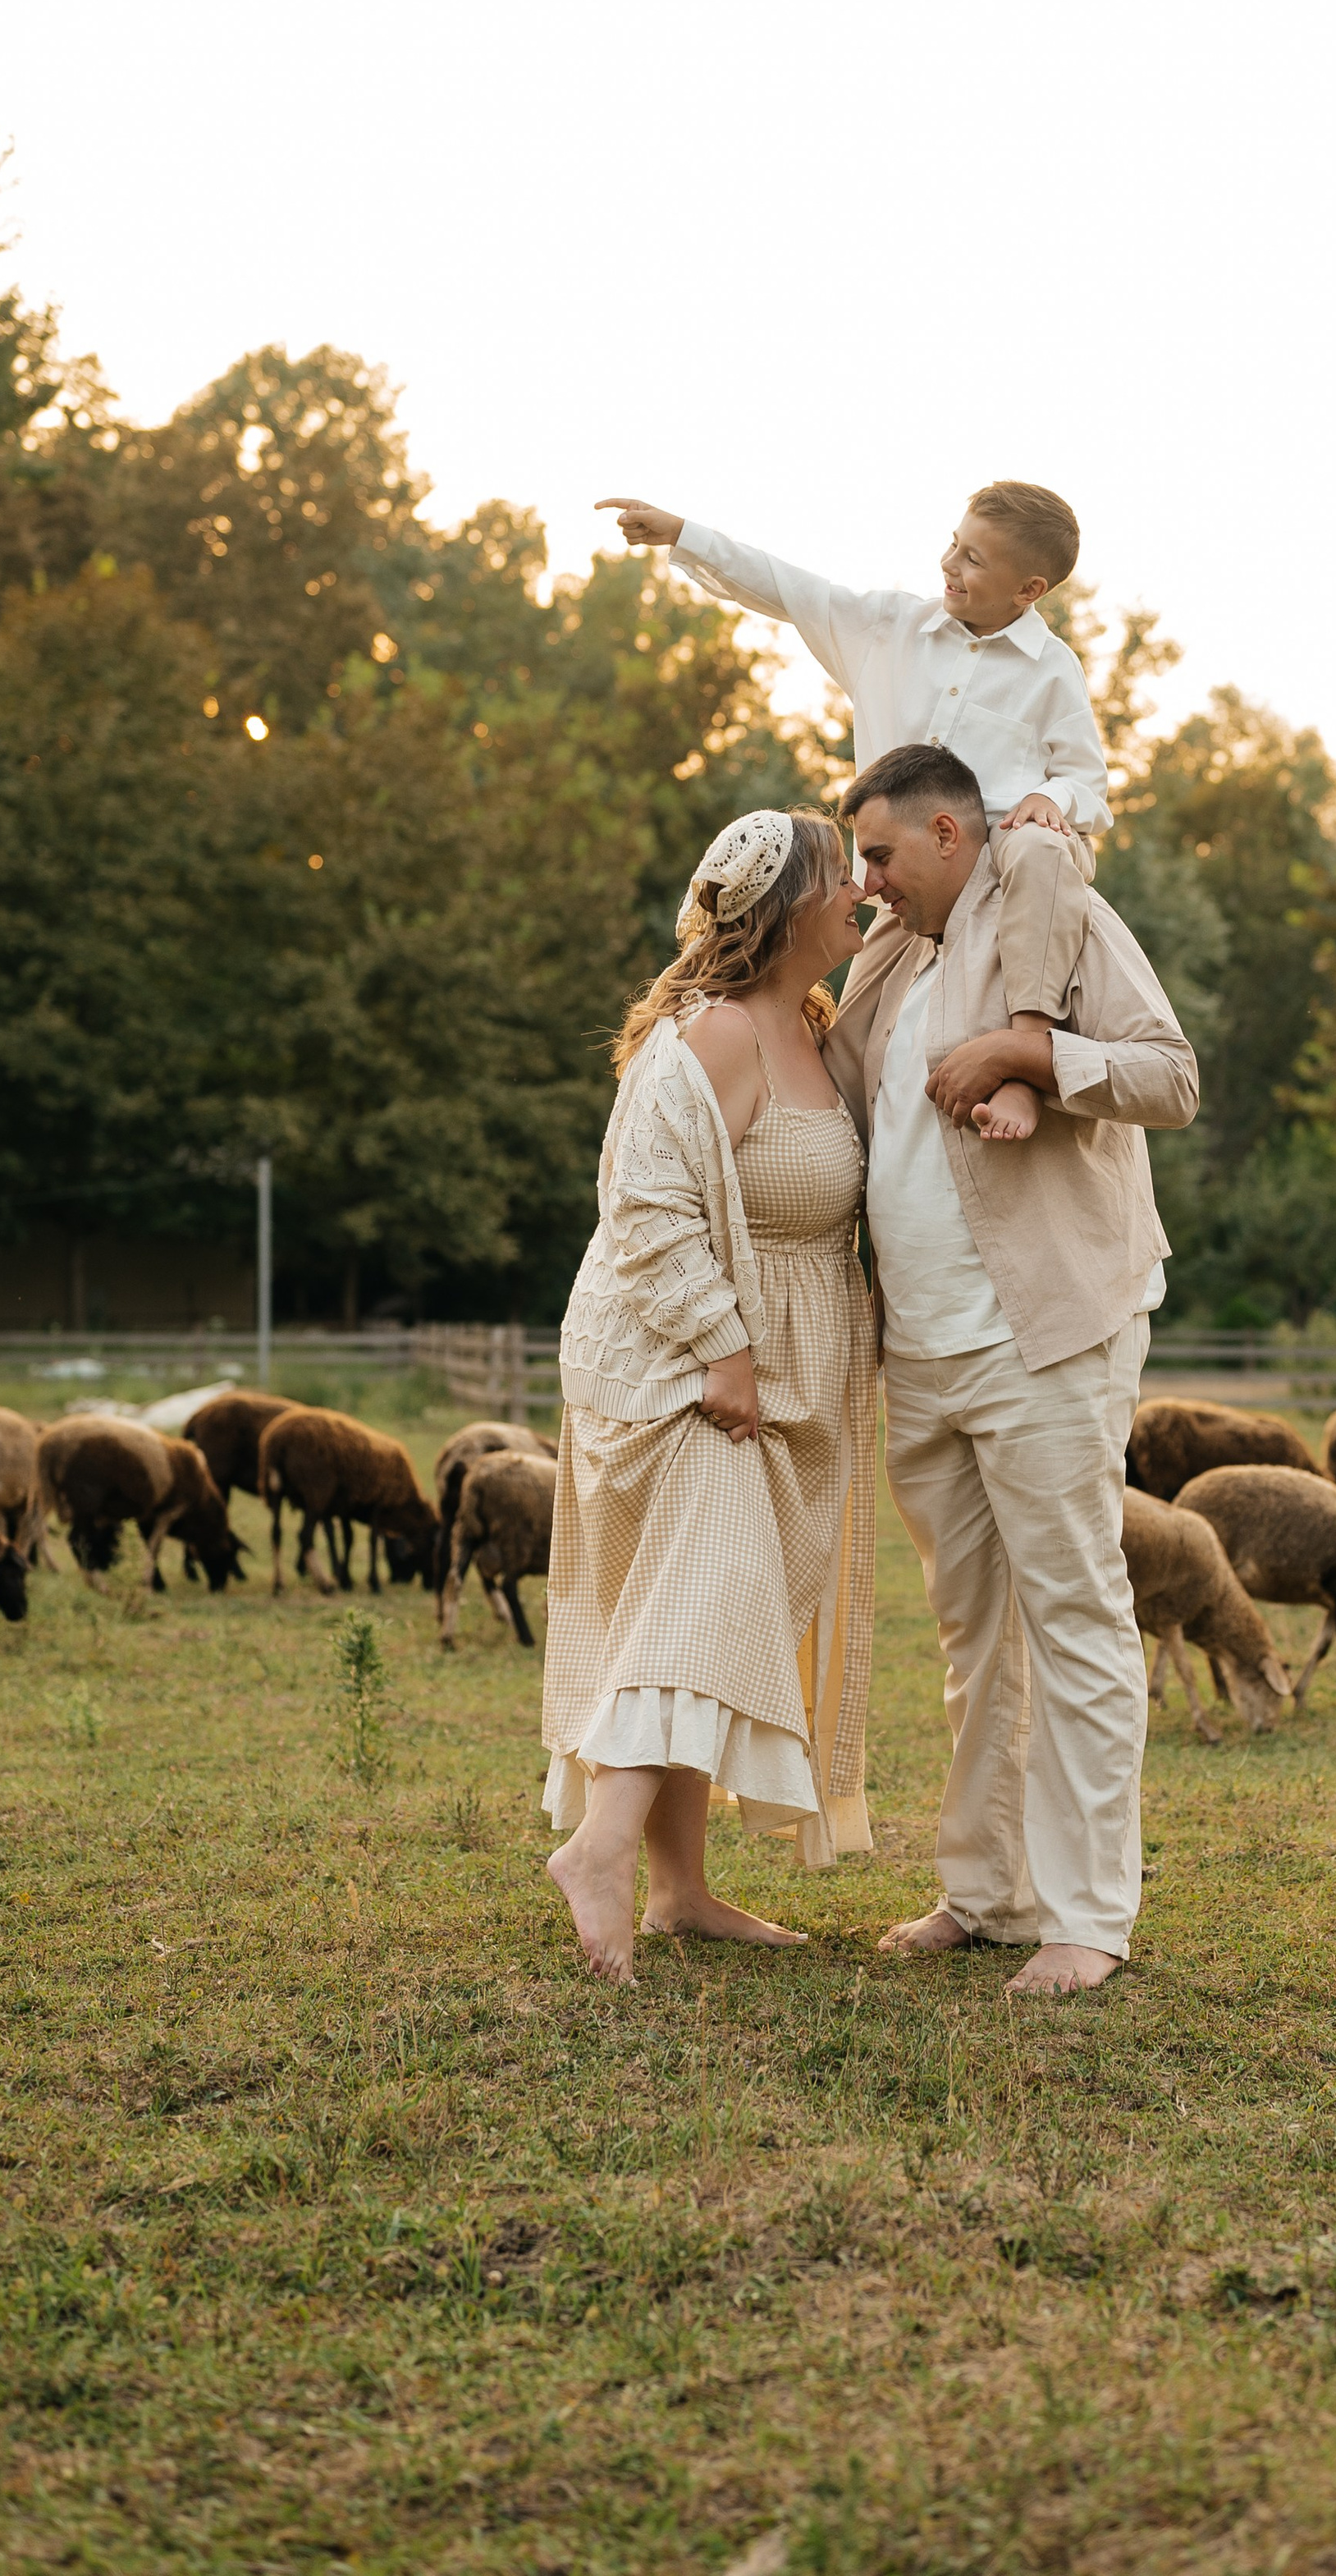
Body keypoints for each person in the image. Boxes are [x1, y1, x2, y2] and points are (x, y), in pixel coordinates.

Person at [823, 741, 1200, 1999]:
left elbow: (1170, 1076)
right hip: (921, 1351)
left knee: (1076, 1615)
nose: (866, 882)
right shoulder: (890, 957)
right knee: (972, 1632)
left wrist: (1035, 1059)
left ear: (946, 833)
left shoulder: (1058, 907)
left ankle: (1089, 1916)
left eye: (878, 854)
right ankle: (985, 1892)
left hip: (1044, 1335)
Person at [540, 809, 878, 1984]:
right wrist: (722, 1350)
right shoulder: (717, 1035)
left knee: (715, 1613)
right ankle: (601, 1852)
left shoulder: (817, 1029)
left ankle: (681, 1891)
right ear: (786, 909)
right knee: (700, 1603)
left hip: (780, 1378)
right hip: (682, 1372)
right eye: (845, 876)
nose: (864, 892)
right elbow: (644, 1207)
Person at [597, 484, 1102, 1144]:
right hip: (909, 884)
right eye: (954, 543)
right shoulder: (890, 629)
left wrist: (1052, 798)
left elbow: (1087, 781)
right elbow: (790, 587)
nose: (950, 563)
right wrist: (682, 533)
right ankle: (833, 1180)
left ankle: (1025, 1052)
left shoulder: (1053, 670)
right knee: (847, 1042)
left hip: (1006, 859)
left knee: (1042, 848)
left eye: (974, 559)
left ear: (1028, 590)